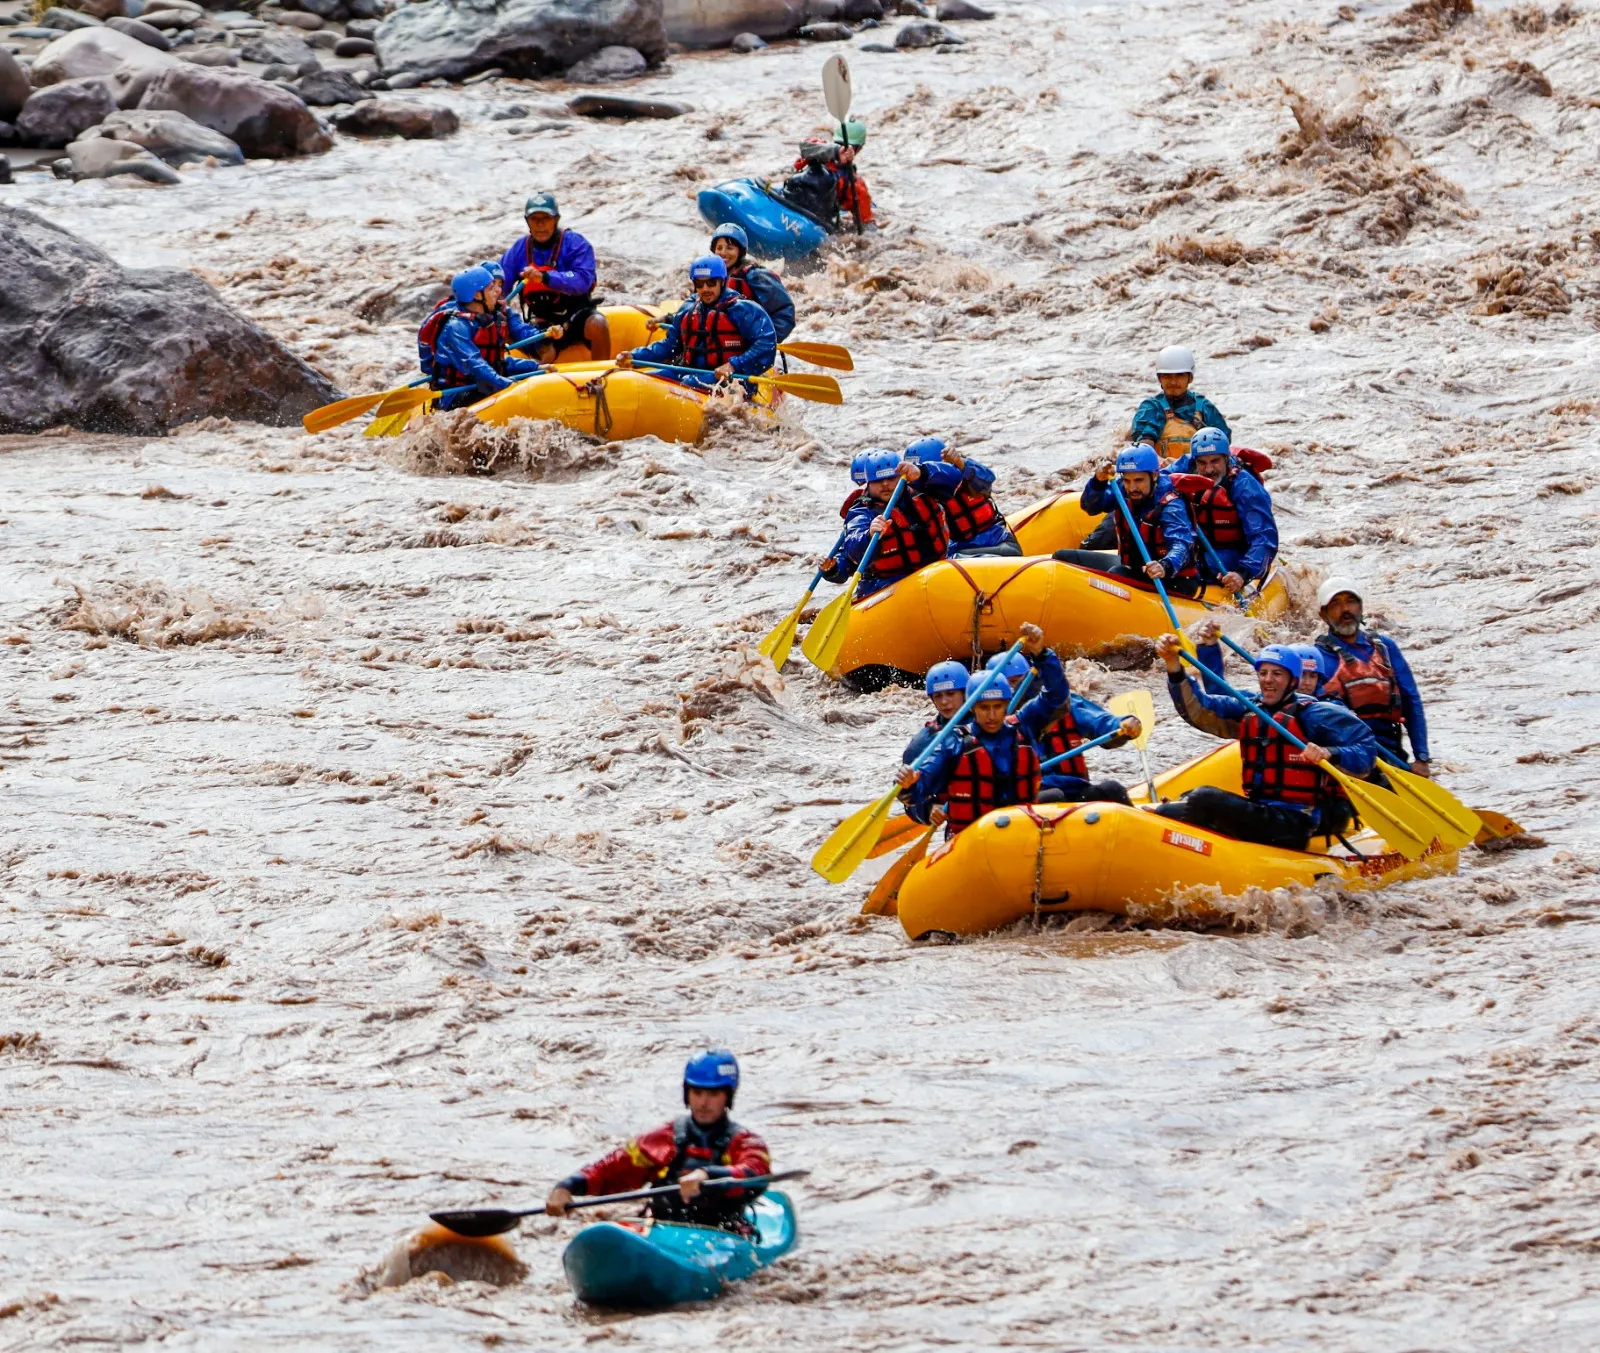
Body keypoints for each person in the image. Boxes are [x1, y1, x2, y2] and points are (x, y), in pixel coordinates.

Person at [1153, 635, 1380, 850]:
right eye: (1263, 673)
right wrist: (1174, 666)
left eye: (1277, 674)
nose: (1268, 679)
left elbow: (1366, 749)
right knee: (1170, 808)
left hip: (1295, 822)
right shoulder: (1250, 709)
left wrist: (1330, 753)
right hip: (1263, 811)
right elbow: (1200, 709)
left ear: (1292, 681)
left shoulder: (1317, 714)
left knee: (1204, 797)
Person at [544, 1049, 771, 1236]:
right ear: (687, 1093)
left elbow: (756, 1173)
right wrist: (567, 1186)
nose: (703, 1102)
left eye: (713, 1094)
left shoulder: (745, 1142)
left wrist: (707, 1175)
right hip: (662, 1231)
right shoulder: (665, 1137)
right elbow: (611, 1169)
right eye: (697, 1092)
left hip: (721, 1233)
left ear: (728, 1097)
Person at [898, 623, 1066, 836]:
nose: (992, 715)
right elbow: (917, 790)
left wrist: (1042, 654)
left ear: (1007, 704)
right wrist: (911, 787)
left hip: (1021, 829)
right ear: (974, 705)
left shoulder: (1022, 725)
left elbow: (1056, 697)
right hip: (973, 836)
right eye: (984, 708)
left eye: (997, 707)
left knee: (1058, 795)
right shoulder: (948, 742)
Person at [985, 650, 1140, 805]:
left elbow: (1099, 722)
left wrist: (1121, 726)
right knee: (1053, 796)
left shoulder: (1065, 705)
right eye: (1009, 684)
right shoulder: (992, 725)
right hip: (1031, 802)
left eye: (1017, 680)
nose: (1015, 689)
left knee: (1112, 789)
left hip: (1073, 791)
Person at [1313, 577, 1431, 776]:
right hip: (1345, 757)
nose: (1345, 610)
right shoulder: (1318, 657)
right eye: (1336, 604)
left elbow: (1411, 701)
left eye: (1350, 602)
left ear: (1360, 607)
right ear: (1323, 615)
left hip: (1390, 753)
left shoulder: (1385, 648)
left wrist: (1421, 757)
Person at [1052, 444, 1200, 597]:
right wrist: (1098, 482)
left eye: (1139, 480)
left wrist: (1165, 565)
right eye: (1128, 480)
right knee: (1062, 557)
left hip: (1173, 579)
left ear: (1154, 475)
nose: (1132, 487)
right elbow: (1090, 507)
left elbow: (1181, 543)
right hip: (1134, 567)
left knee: (1117, 574)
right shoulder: (1123, 490)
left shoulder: (1171, 504)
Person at [618, 255, 776, 390]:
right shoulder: (688, 308)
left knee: (690, 382)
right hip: (691, 371)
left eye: (711, 283)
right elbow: (669, 346)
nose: (705, 288)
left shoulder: (743, 309)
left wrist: (734, 365)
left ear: (722, 281)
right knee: (647, 379)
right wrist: (635, 356)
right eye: (700, 284)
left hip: (733, 378)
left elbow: (766, 343)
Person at [818, 448, 949, 600]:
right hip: (885, 585)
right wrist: (869, 535)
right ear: (868, 484)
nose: (885, 484)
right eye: (878, 481)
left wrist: (925, 470)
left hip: (932, 573)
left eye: (891, 478)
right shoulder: (861, 512)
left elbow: (955, 478)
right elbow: (852, 551)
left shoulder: (921, 493)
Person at [499, 192, 610, 362]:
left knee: (598, 324)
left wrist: (545, 278)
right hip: (543, 321)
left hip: (577, 315)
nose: (540, 224)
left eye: (546, 218)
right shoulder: (519, 249)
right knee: (544, 349)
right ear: (527, 221)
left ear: (556, 219)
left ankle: (604, 377)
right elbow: (499, 286)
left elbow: (583, 281)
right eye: (535, 219)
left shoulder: (576, 243)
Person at [1169, 427, 1278, 595]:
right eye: (1202, 463)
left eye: (1215, 461)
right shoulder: (1186, 465)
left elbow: (1264, 537)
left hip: (1231, 552)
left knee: (1197, 568)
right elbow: (1155, 481)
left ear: (1227, 459)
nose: (1209, 469)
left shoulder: (1246, 487)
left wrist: (1243, 573)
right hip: (1192, 545)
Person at [423, 267, 544, 409]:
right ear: (477, 295)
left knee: (535, 375)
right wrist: (508, 385)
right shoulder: (456, 327)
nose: (497, 292)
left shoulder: (487, 320)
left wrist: (535, 367)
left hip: (479, 385)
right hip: (453, 398)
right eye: (491, 288)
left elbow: (497, 363)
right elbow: (476, 366)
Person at [904, 438, 1022, 558]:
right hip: (958, 549)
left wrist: (961, 463)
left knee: (953, 558)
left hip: (999, 544)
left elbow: (987, 480)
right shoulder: (917, 495)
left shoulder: (967, 477)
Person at [1132, 346, 1231, 461]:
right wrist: (1159, 463)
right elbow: (1144, 445)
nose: (1173, 382)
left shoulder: (1204, 407)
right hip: (1163, 472)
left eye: (1180, 375)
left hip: (1199, 471)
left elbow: (1224, 445)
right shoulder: (1151, 407)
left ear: (1190, 378)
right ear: (1159, 379)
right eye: (1167, 376)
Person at [709, 223, 795, 345]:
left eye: (729, 248)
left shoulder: (756, 275)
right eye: (719, 248)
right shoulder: (710, 277)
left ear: (740, 251)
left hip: (748, 348)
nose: (723, 253)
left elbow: (785, 313)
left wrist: (763, 341)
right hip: (718, 345)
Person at [780, 119, 873, 232]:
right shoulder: (855, 183)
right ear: (859, 148)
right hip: (800, 209)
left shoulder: (854, 185)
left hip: (801, 211)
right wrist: (836, 152)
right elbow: (865, 223)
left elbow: (804, 147)